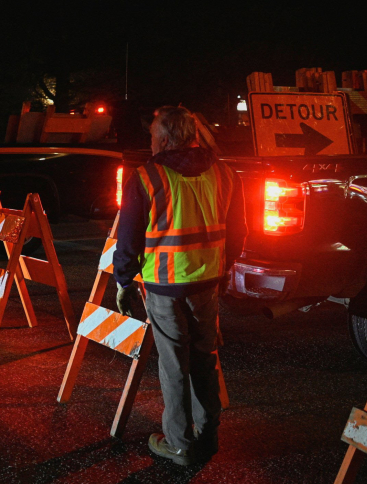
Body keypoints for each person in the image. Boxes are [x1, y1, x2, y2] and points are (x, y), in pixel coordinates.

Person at [113, 106, 247, 465]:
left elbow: (127, 239)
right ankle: (209, 436)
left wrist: (124, 281)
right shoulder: (226, 174)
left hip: (165, 286)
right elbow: (238, 234)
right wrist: (221, 267)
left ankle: (179, 444)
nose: (151, 141)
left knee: (175, 365)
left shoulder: (146, 177)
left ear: (166, 139)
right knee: (205, 359)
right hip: (208, 283)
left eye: (154, 135)